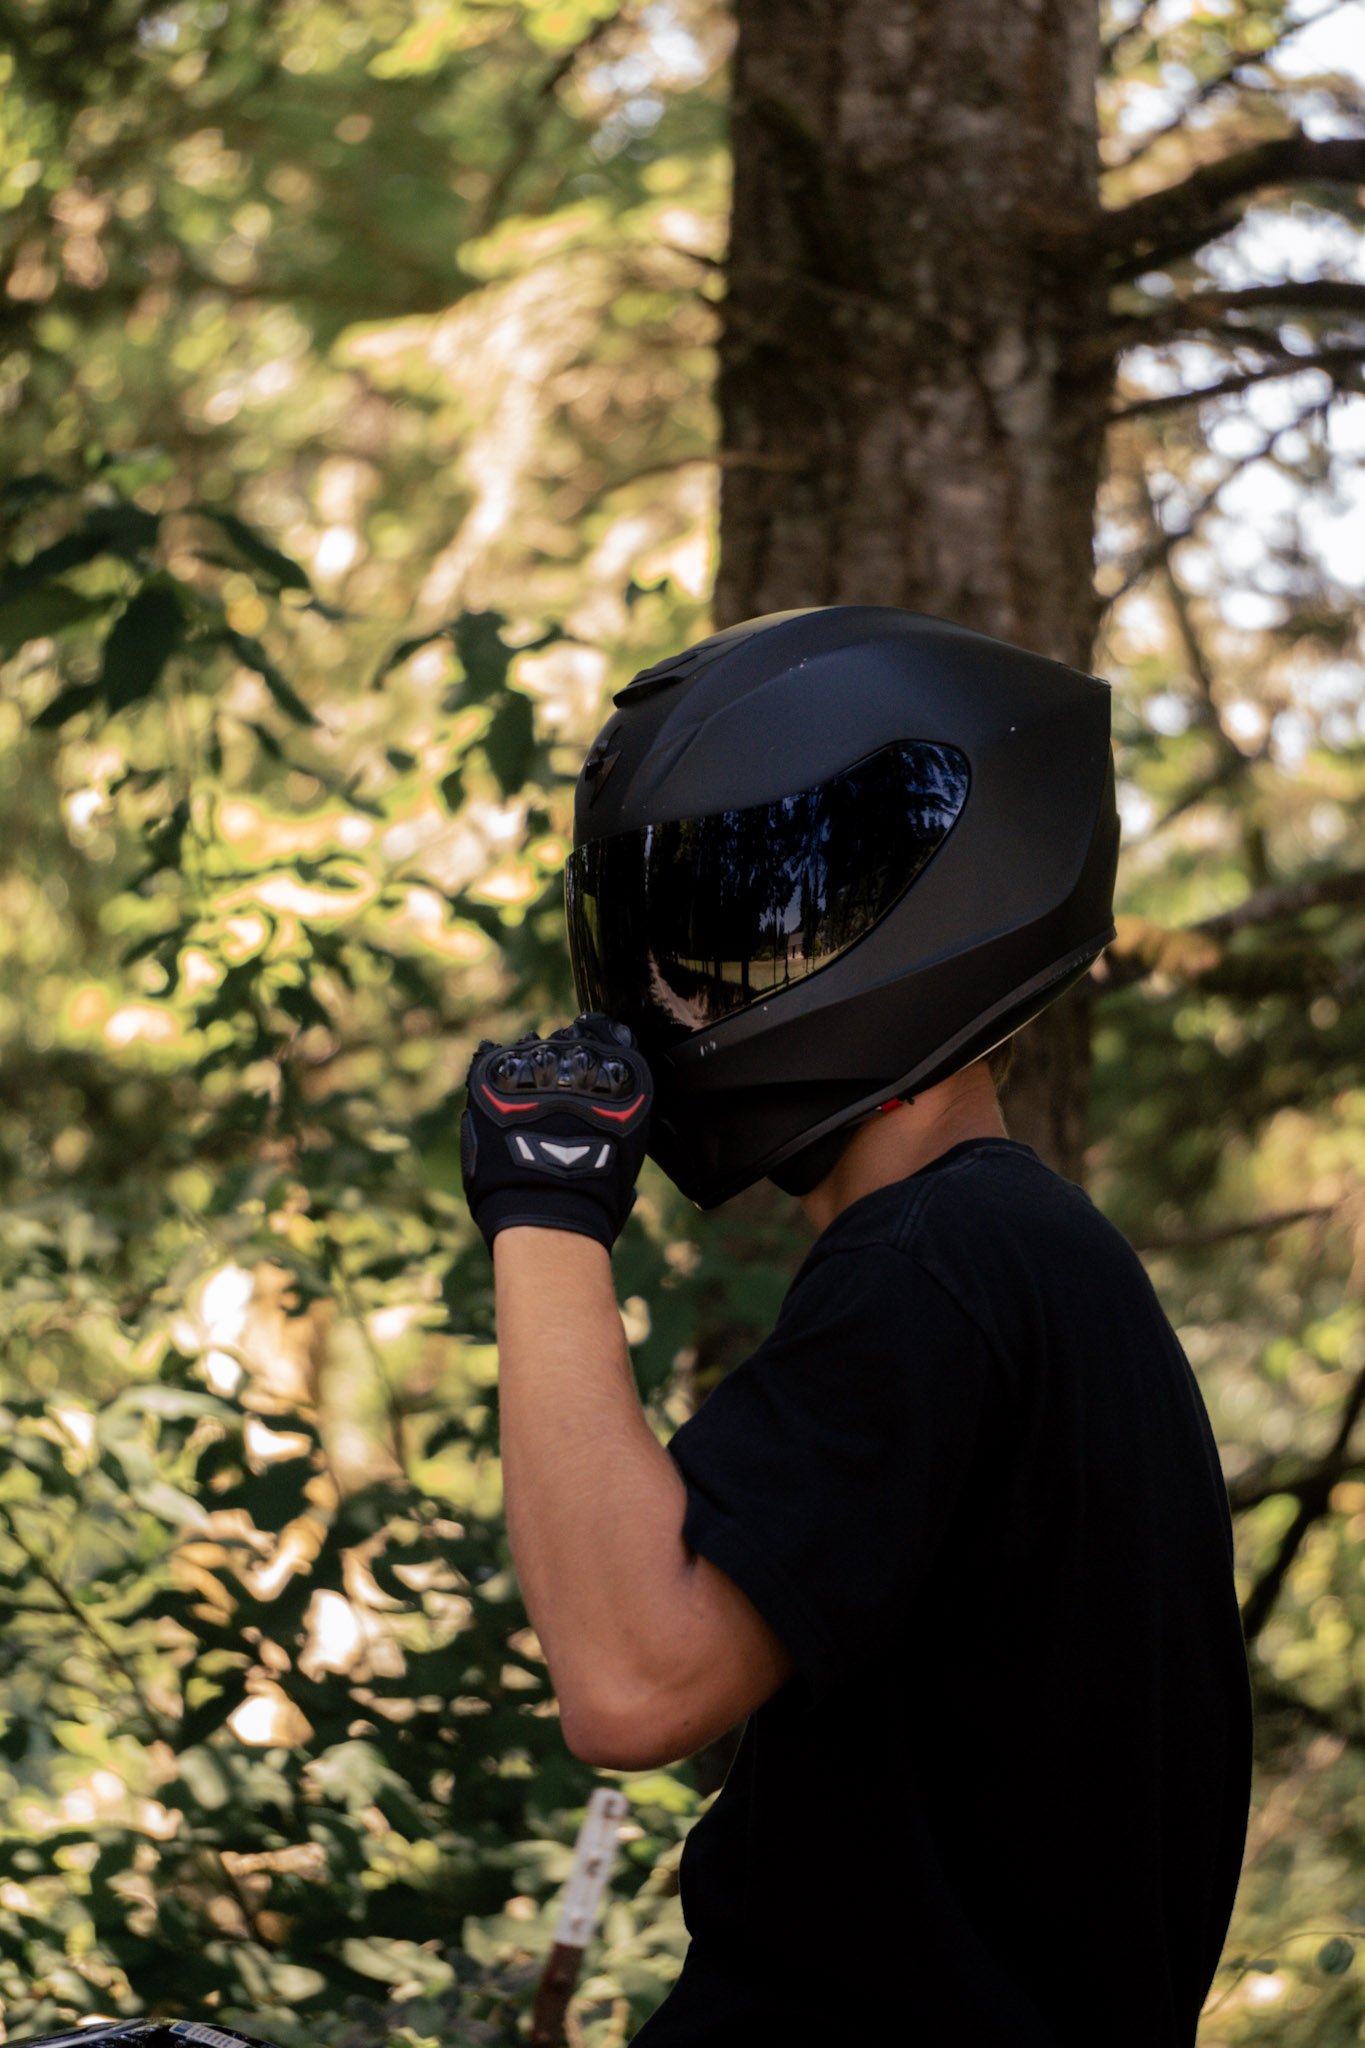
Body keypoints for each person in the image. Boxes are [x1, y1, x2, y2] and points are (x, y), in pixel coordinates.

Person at [460, 607, 1253, 2048]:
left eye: (735, 929)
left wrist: (547, 1210)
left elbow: (635, 1680)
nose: (665, 996)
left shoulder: (939, 1262)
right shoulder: (1028, 1260)